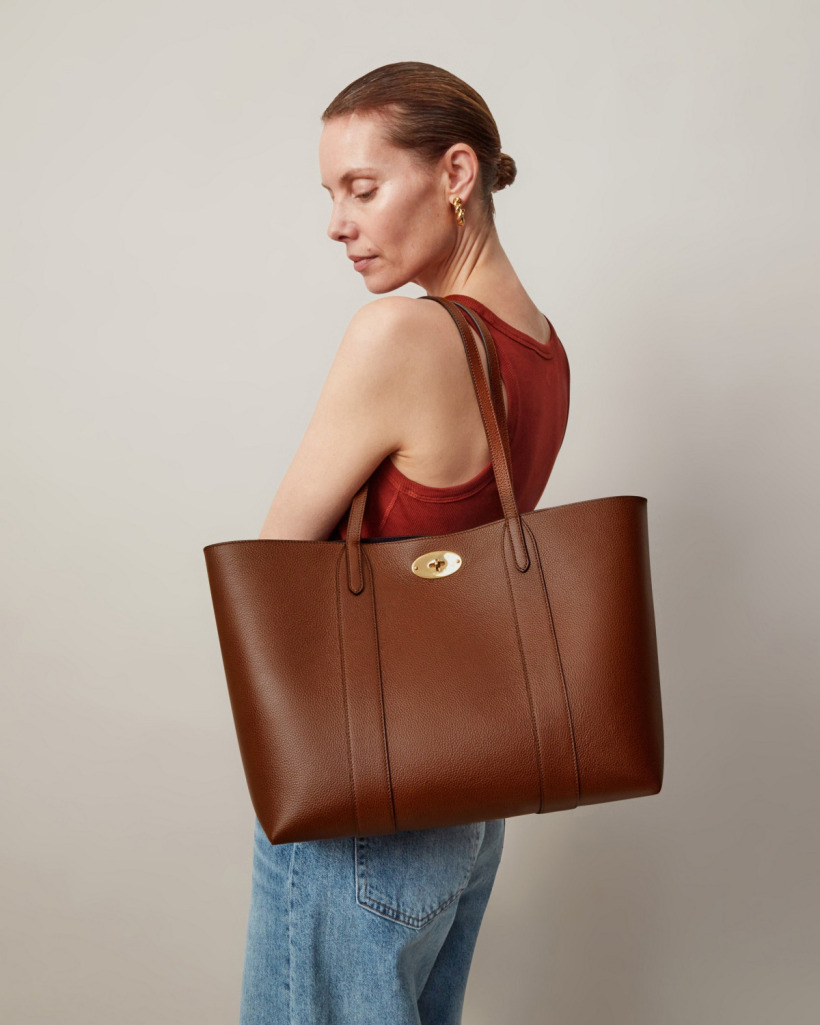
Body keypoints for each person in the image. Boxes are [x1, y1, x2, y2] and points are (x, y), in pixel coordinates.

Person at [240, 61, 570, 1025]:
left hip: (364, 789)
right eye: (332, 193)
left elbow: (279, 564)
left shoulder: (400, 337)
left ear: (456, 173)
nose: (337, 222)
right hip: (468, 792)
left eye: (363, 187)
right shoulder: (542, 344)